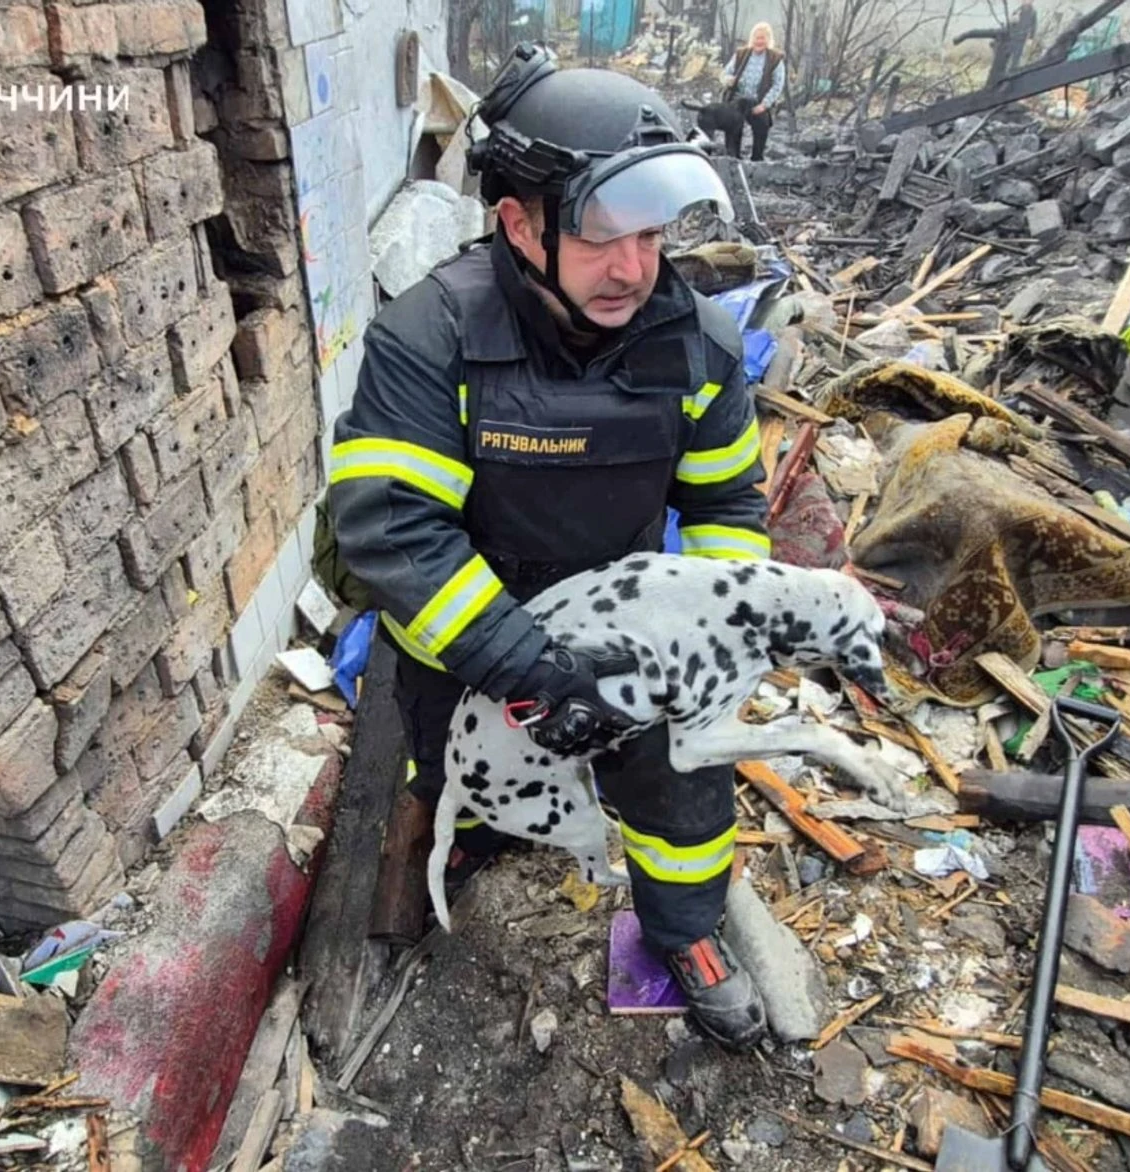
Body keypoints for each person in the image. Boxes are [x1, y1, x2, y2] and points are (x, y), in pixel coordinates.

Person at [326, 43, 774, 1051]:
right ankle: (476, 832)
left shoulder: (697, 343)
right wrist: (529, 673)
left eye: (652, 234)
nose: (635, 267)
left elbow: (725, 505)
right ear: (518, 223)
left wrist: (698, 642)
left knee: (684, 788)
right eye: (603, 235)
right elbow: (394, 529)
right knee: (450, 768)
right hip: (473, 632)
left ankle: (687, 929)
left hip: (623, 630)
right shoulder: (430, 336)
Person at [721, 22, 785, 161]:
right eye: (757, 37)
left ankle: (757, 159)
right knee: (733, 125)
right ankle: (733, 158)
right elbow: (725, 73)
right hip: (738, 99)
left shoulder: (775, 58)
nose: (759, 41)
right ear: (752, 38)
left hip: (758, 101)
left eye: (763, 38)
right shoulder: (741, 54)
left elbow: (778, 85)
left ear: (768, 40)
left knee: (762, 125)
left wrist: (764, 105)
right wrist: (728, 80)